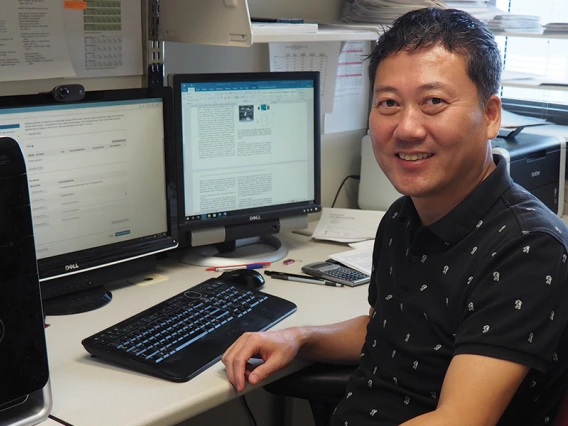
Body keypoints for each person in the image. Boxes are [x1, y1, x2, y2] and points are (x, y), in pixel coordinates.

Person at [222, 7, 568, 425]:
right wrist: (300, 338)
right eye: (389, 103)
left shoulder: (528, 248)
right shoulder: (404, 217)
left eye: (433, 102)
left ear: (490, 115)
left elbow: (459, 420)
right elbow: (389, 331)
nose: (406, 128)